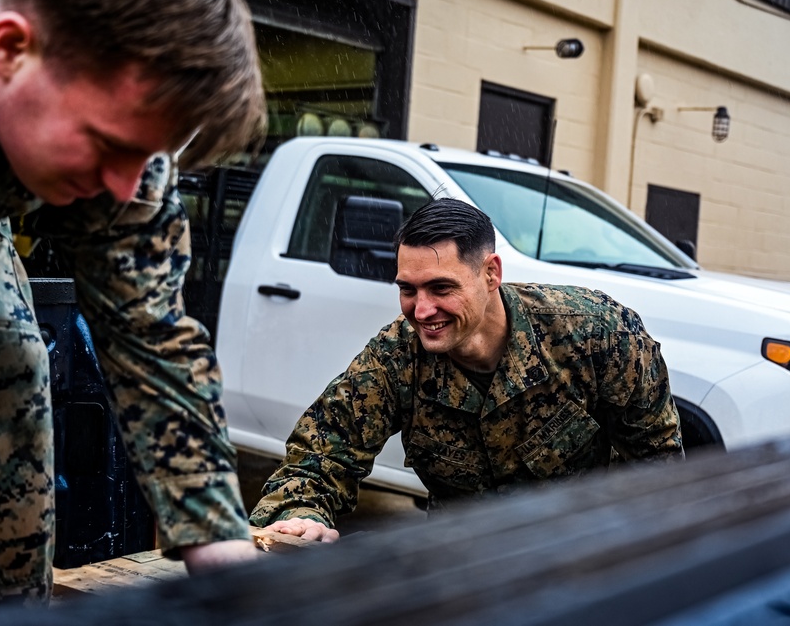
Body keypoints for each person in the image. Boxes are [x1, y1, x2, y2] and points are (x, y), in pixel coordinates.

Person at [0, 0, 265, 620]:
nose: (122, 185)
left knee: (3, 361)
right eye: (107, 146)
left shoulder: (116, 114)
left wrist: (226, 556)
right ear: (8, 47)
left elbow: (153, 336)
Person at [251, 198, 683, 543]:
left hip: (579, 557)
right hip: (461, 568)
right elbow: (317, 458)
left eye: (441, 288)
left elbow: (658, 468)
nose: (421, 311)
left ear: (490, 273)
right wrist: (299, 515)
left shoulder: (595, 333)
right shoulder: (395, 358)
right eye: (407, 290)